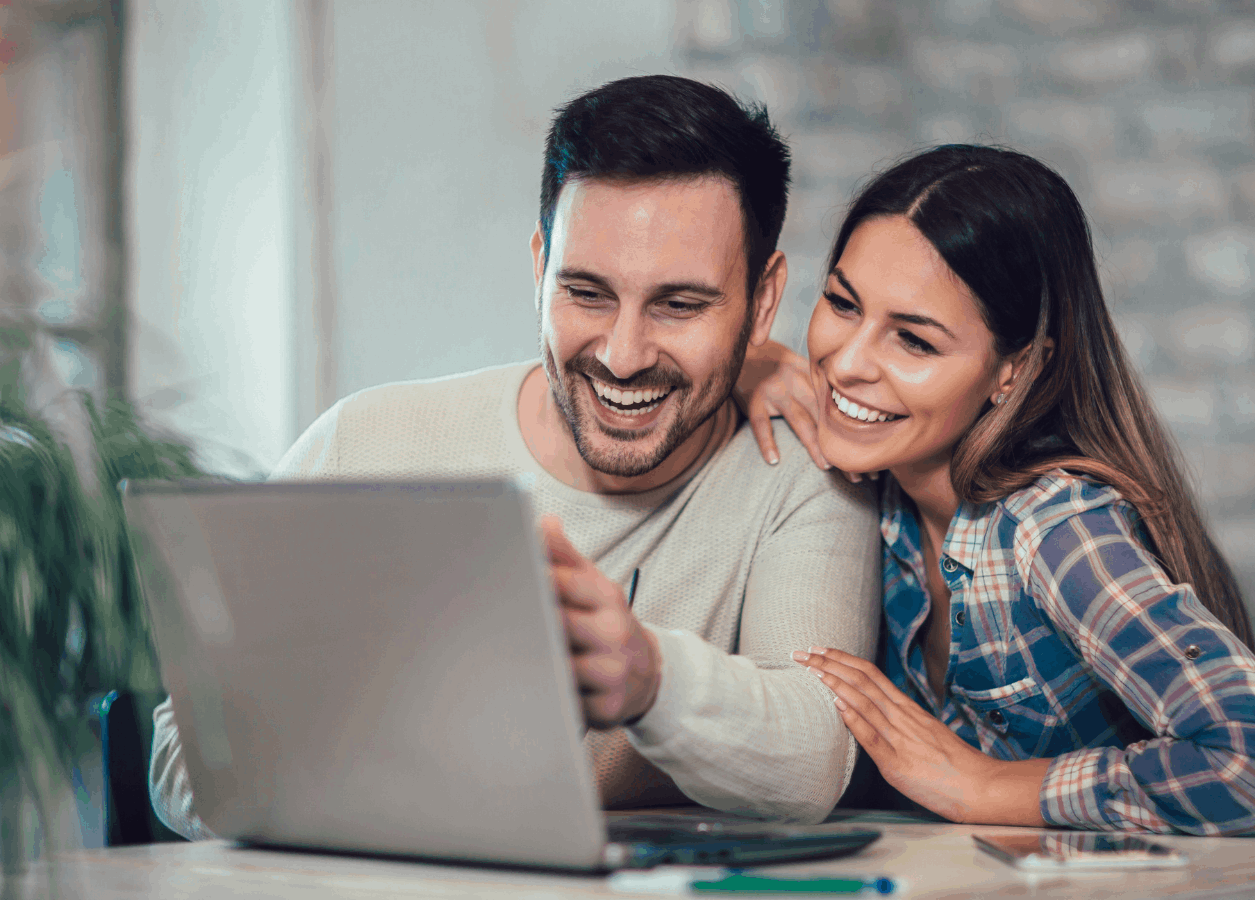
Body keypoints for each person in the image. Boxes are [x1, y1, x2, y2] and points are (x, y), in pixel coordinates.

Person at [147, 75, 881, 840]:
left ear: (763, 302)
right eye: (587, 293)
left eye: (680, 305)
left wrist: (649, 680)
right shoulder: (365, 444)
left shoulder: (802, 468)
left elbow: (813, 758)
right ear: (540, 268)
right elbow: (182, 761)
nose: (623, 356)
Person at [738, 145, 1255, 837]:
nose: (848, 361)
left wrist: (985, 785)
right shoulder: (878, 484)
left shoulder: (1055, 530)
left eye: (915, 342)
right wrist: (752, 363)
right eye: (842, 303)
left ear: (1014, 370)